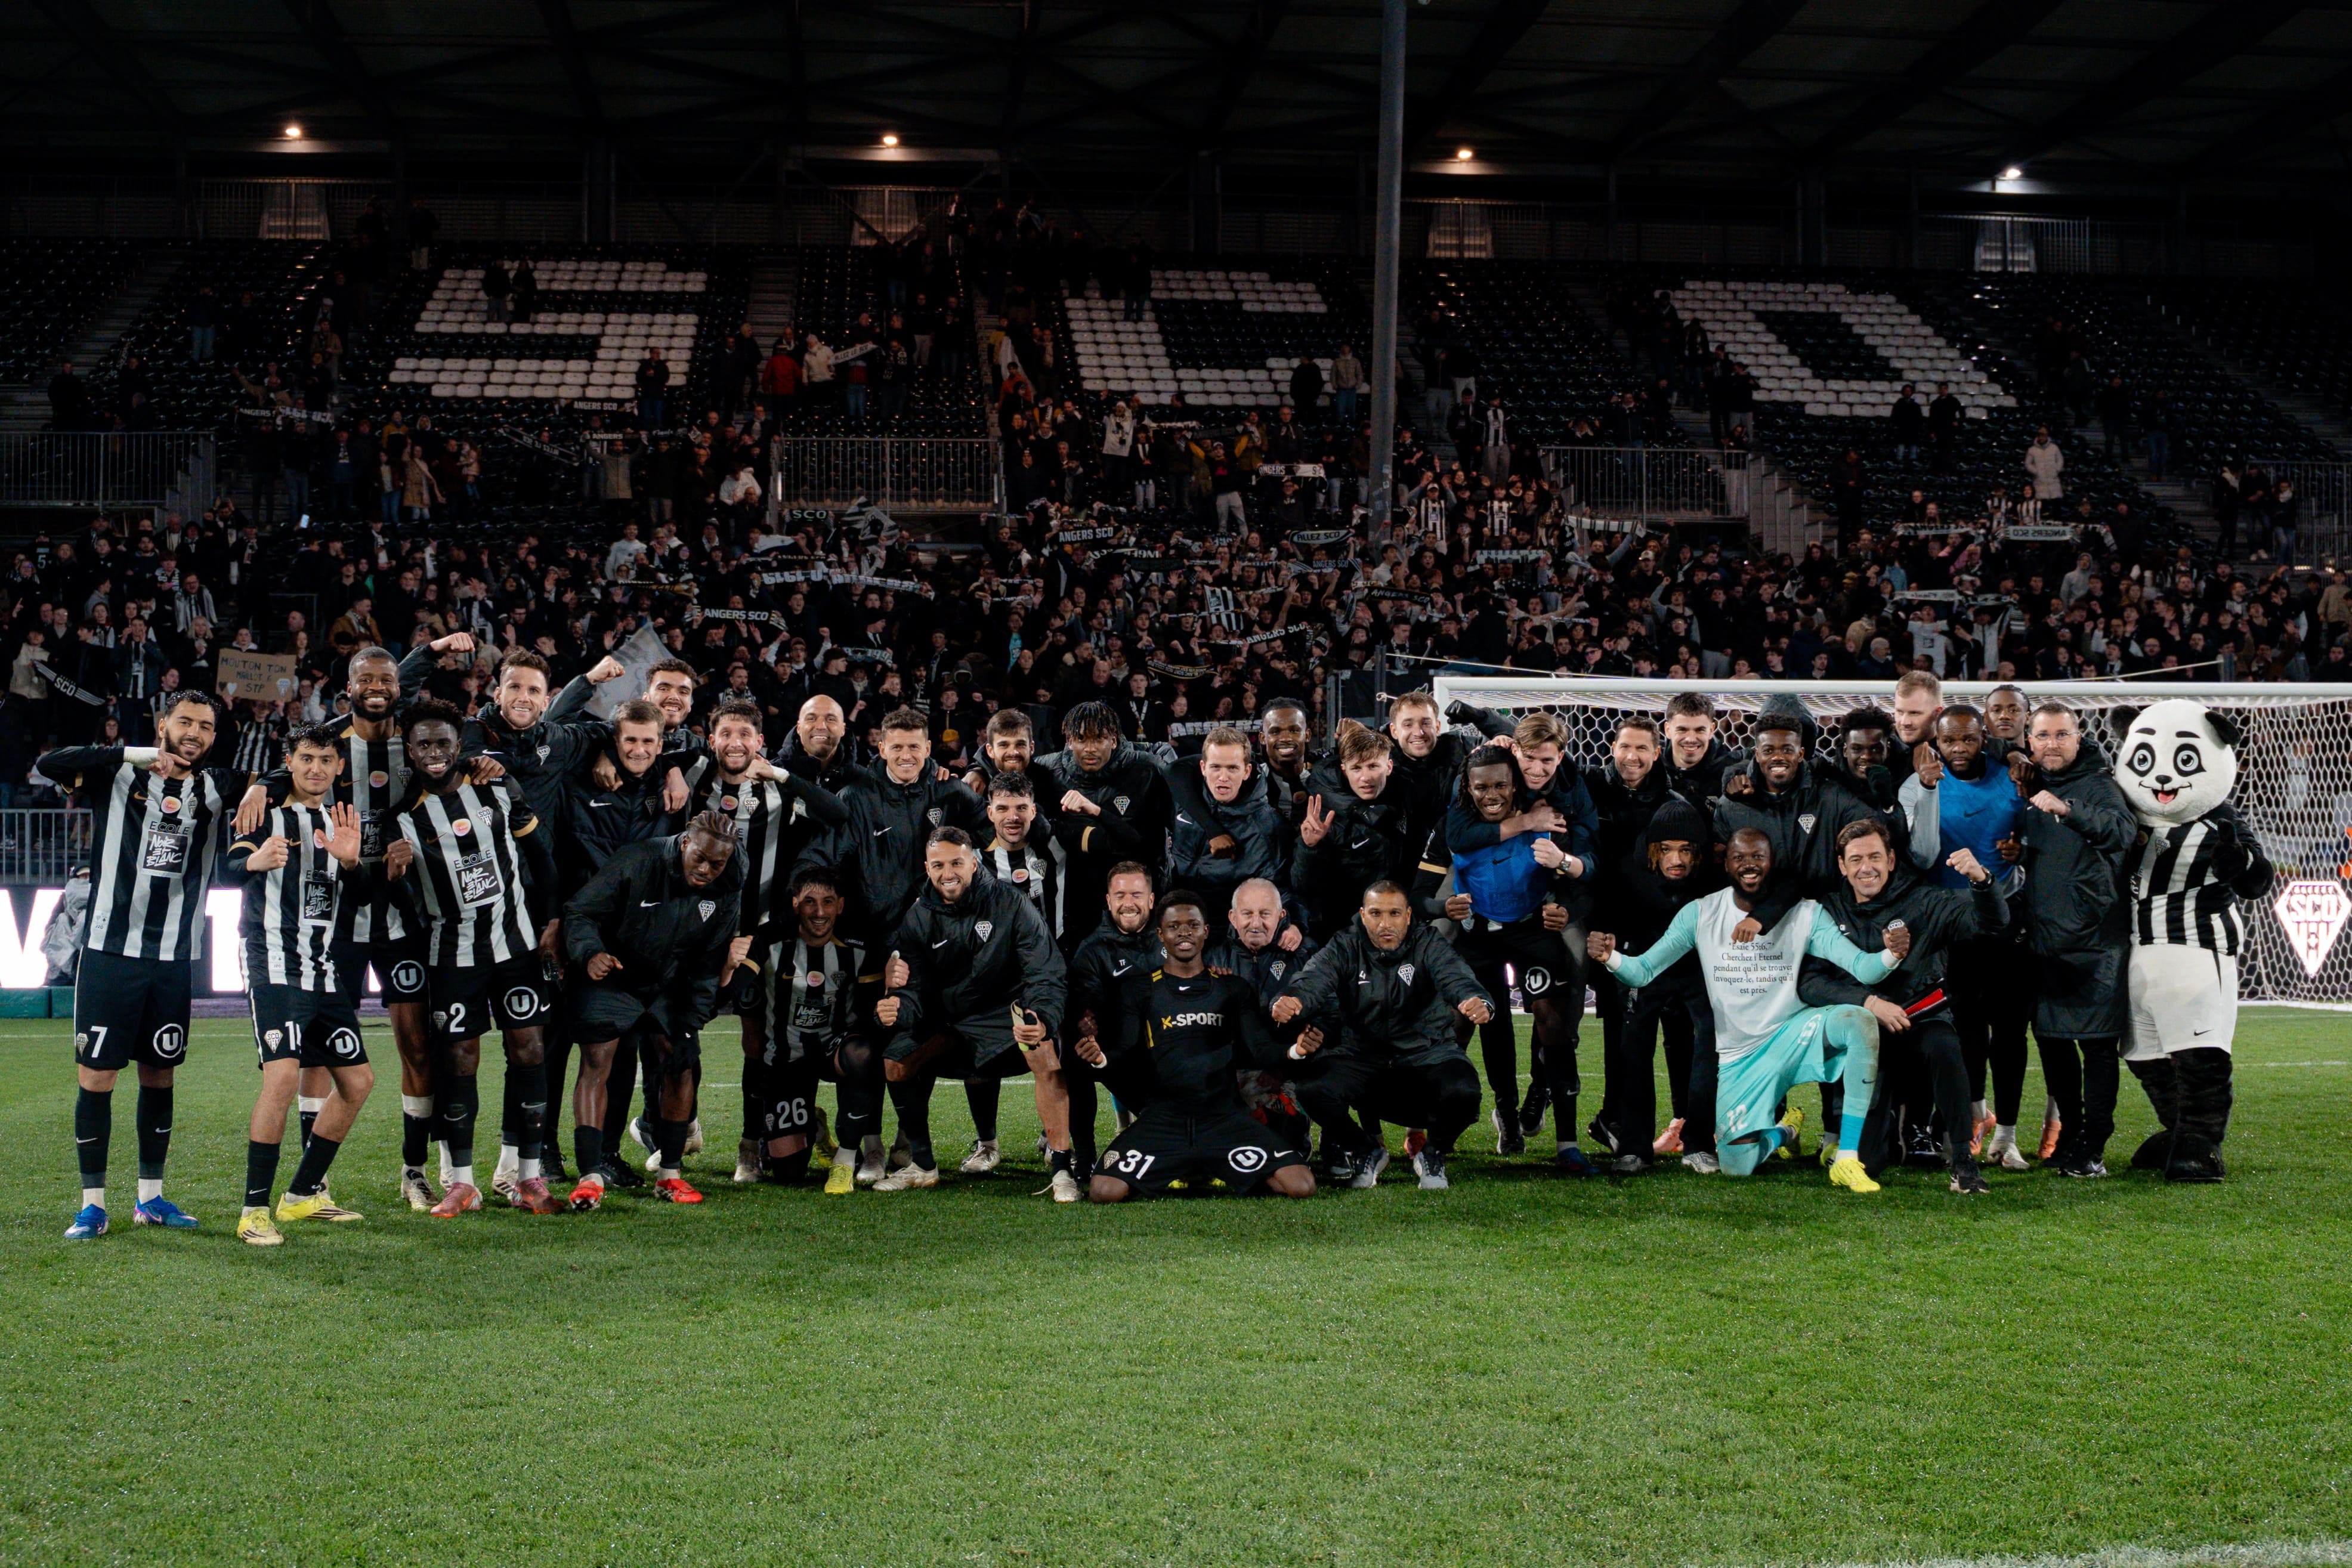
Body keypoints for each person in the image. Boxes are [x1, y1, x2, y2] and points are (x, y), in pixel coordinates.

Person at [234, 637, 453, 1210]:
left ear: (400, 688)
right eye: (365, 681)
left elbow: (461, 749)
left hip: (402, 917)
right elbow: (297, 762)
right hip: (334, 926)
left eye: (387, 681)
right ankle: (313, 1183)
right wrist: (262, 782)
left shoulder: (417, 742)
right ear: (348, 689)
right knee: (314, 1058)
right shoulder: (329, 746)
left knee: (416, 1044)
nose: (377, 688)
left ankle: (413, 1169)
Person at [1588, 827, 1912, 1192]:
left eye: (1758, 857)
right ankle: (1784, 1132)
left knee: (1859, 1020)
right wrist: (1610, 958)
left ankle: (1848, 1158)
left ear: (1771, 863)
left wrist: (1891, 955)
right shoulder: (1701, 913)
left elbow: (1863, 968)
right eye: (1740, 858)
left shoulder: (1806, 914)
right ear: (1726, 864)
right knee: (1736, 1166)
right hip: (1739, 1056)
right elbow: (1643, 971)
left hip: (1793, 1032)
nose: (1749, 865)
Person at [42, 692, 246, 1239]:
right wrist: (131, 753)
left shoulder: (218, 786)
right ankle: (92, 1205)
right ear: (163, 725)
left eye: (205, 726)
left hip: (174, 958)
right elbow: (48, 765)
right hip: (110, 953)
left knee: (160, 1072)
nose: (195, 733)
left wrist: (267, 786)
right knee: (98, 1076)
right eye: (185, 721)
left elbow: (277, 776)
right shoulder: (115, 775)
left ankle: (151, 1198)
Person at [383, 701, 561, 1217]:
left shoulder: (497, 787)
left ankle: (528, 1176)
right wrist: (392, 879)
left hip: (517, 945)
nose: (435, 754)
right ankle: (461, 1182)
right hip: (453, 954)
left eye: (443, 743)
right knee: (460, 1060)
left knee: (529, 1049)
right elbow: (403, 905)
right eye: (424, 745)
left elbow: (541, 858)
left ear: (458, 746)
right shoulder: (402, 818)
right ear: (410, 752)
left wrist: (552, 922)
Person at [1799, 818, 2010, 1193]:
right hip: (1865, 1035)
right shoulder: (1826, 911)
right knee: (1869, 1163)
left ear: (1892, 860)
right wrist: (1869, 1002)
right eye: (1857, 859)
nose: (1868, 867)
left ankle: (1963, 1162)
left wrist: (1982, 881)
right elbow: (1810, 982)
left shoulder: (1926, 901)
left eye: (1876, 857)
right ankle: (1887, 1138)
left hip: (1921, 1025)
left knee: (1945, 1045)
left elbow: (1992, 925)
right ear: (1842, 866)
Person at [224, 727, 375, 1244]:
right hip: (272, 967)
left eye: (326, 760)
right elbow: (227, 869)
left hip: (324, 972)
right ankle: (253, 1212)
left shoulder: (341, 820)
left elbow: (362, 893)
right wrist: (253, 861)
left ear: (337, 769)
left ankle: (303, 1194)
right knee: (283, 1079)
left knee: (358, 1083)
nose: (315, 768)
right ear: (289, 762)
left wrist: (353, 862)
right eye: (306, 758)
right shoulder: (263, 811)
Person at [693, 696, 850, 1183]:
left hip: (762, 937)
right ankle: (668, 1129)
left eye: (745, 735)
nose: (735, 743)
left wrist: (781, 775)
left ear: (760, 742)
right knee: (678, 1032)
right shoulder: (695, 781)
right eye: (726, 734)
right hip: (701, 932)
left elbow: (836, 815)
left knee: (756, 1042)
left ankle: (749, 1144)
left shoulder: (777, 790)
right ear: (712, 739)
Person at [873, 827, 1077, 1199]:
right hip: (952, 1022)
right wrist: (897, 1010)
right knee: (896, 1062)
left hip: (1005, 1015)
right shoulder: (918, 916)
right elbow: (914, 987)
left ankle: (1063, 1170)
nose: (947, 872)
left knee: (1044, 1050)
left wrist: (1042, 1018)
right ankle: (922, 1165)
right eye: (938, 865)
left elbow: (1045, 971)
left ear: (974, 862)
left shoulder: (1011, 903)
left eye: (956, 863)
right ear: (927, 867)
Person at [1416, 743, 1590, 1171]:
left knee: (1553, 1018)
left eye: (1500, 785)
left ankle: (1566, 1143)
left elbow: (1582, 879)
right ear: (1467, 788)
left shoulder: (1546, 818)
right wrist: (1443, 908)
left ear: (1516, 786)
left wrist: (1563, 906)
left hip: (1531, 931)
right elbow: (1419, 895)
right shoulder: (1452, 827)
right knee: (1465, 1021)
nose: (1491, 795)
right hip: (1477, 935)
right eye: (1481, 787)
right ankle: (1474, 1123)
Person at [1076, 892, 1315, 1202]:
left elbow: (1260, 1050)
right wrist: (1100, 1059)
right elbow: (1126, 1052)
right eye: (1174, 927)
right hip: (1164, 1119)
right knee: (1104, 1191)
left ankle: (1211, 1164)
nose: (1184, 933)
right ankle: (1187, 1163)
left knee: (1301, 1185)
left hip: (1223, 1118)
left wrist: (1295, 1050)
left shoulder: (1232, 988)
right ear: (1161, 935)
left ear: (1206, 931)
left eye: (1193, 925)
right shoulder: (1140, 990)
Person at [560, 812, 744, 1210]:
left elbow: (710, 958)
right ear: (684, 843)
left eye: (718, 863)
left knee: (681, 1059)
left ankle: (670, 1176)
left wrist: (691, 1021)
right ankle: (590, 1176)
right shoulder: (637, 861)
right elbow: (580, 911)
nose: (707, 869)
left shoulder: (729, 881)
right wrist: (590, 952)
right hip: (616, 972)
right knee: (598, 1057)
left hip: (671, 980)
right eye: (700, 857)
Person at [1271, 881, 1493, 1191]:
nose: (1385, 924)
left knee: (1465, 1094)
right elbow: (1315, 977)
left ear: (1408, 915)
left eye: (1394, 914)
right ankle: (1365, 1150)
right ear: (1363, 915)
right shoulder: (1345, 945)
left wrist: (1476, 999)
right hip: (1363, 1058)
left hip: (1426, 1055)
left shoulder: (1428, 942)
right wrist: (1294, 998)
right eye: (1376, 914)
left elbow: (1456, 975)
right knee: (1312, 1089)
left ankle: (1433, 1153)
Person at [1900, 703, 2032, 1168]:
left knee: (2011, 1029)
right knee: (1967, 1027)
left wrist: (2023, 848)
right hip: (1948, 925)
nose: (1959, 749)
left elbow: (2035, 837)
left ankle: (2010, 1136)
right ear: (1935, 740)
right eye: (1949, 740)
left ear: (1983, 738)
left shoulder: (2013, 777)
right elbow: (1915, 854)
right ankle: (1978, 1120)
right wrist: (1925, 787)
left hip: (2005, 916)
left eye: (1969, 739)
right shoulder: (1918, 782)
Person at [2011, 702, 2137, 1178]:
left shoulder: (2100, 785)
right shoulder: (2034, 789)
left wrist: (2069, 809)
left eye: (2061, 734)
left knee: (2098, 1047)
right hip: (2046, 943)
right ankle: (2072, 1135)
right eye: (2042, 735)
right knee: (2053, 1044)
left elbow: (2122, 833)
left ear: (2078, 737)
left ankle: (2094, 1145)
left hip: (2096, 942)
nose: (2051, 743)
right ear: (2030, 740)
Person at [737, 870, 879, 1195]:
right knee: (788, 1173)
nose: (819, 912)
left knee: (864, 1055)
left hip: (835, 1048)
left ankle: (845, 1160)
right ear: (795, 905)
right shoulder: (770, 939)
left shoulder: (859, 943)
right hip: (788, 1057)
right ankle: (812, 1129)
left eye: (828, 902)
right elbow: (738, 989)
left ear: (840, 906)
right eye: (810, 903)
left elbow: (872, 1011)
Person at [1062, 861, 1163, 1180]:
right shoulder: (1093, 950)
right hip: (1121, 1056)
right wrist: (1088, 1030)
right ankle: (1085, 1158)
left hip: (1170, 1053)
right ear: (1108, 901)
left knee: (1166, 1127)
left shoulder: (1171, 937)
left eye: (1136, 894)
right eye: (1120, 895)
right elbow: (1084, 1003)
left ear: (1151, 899)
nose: (1128, 903)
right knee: (1076, 1057)